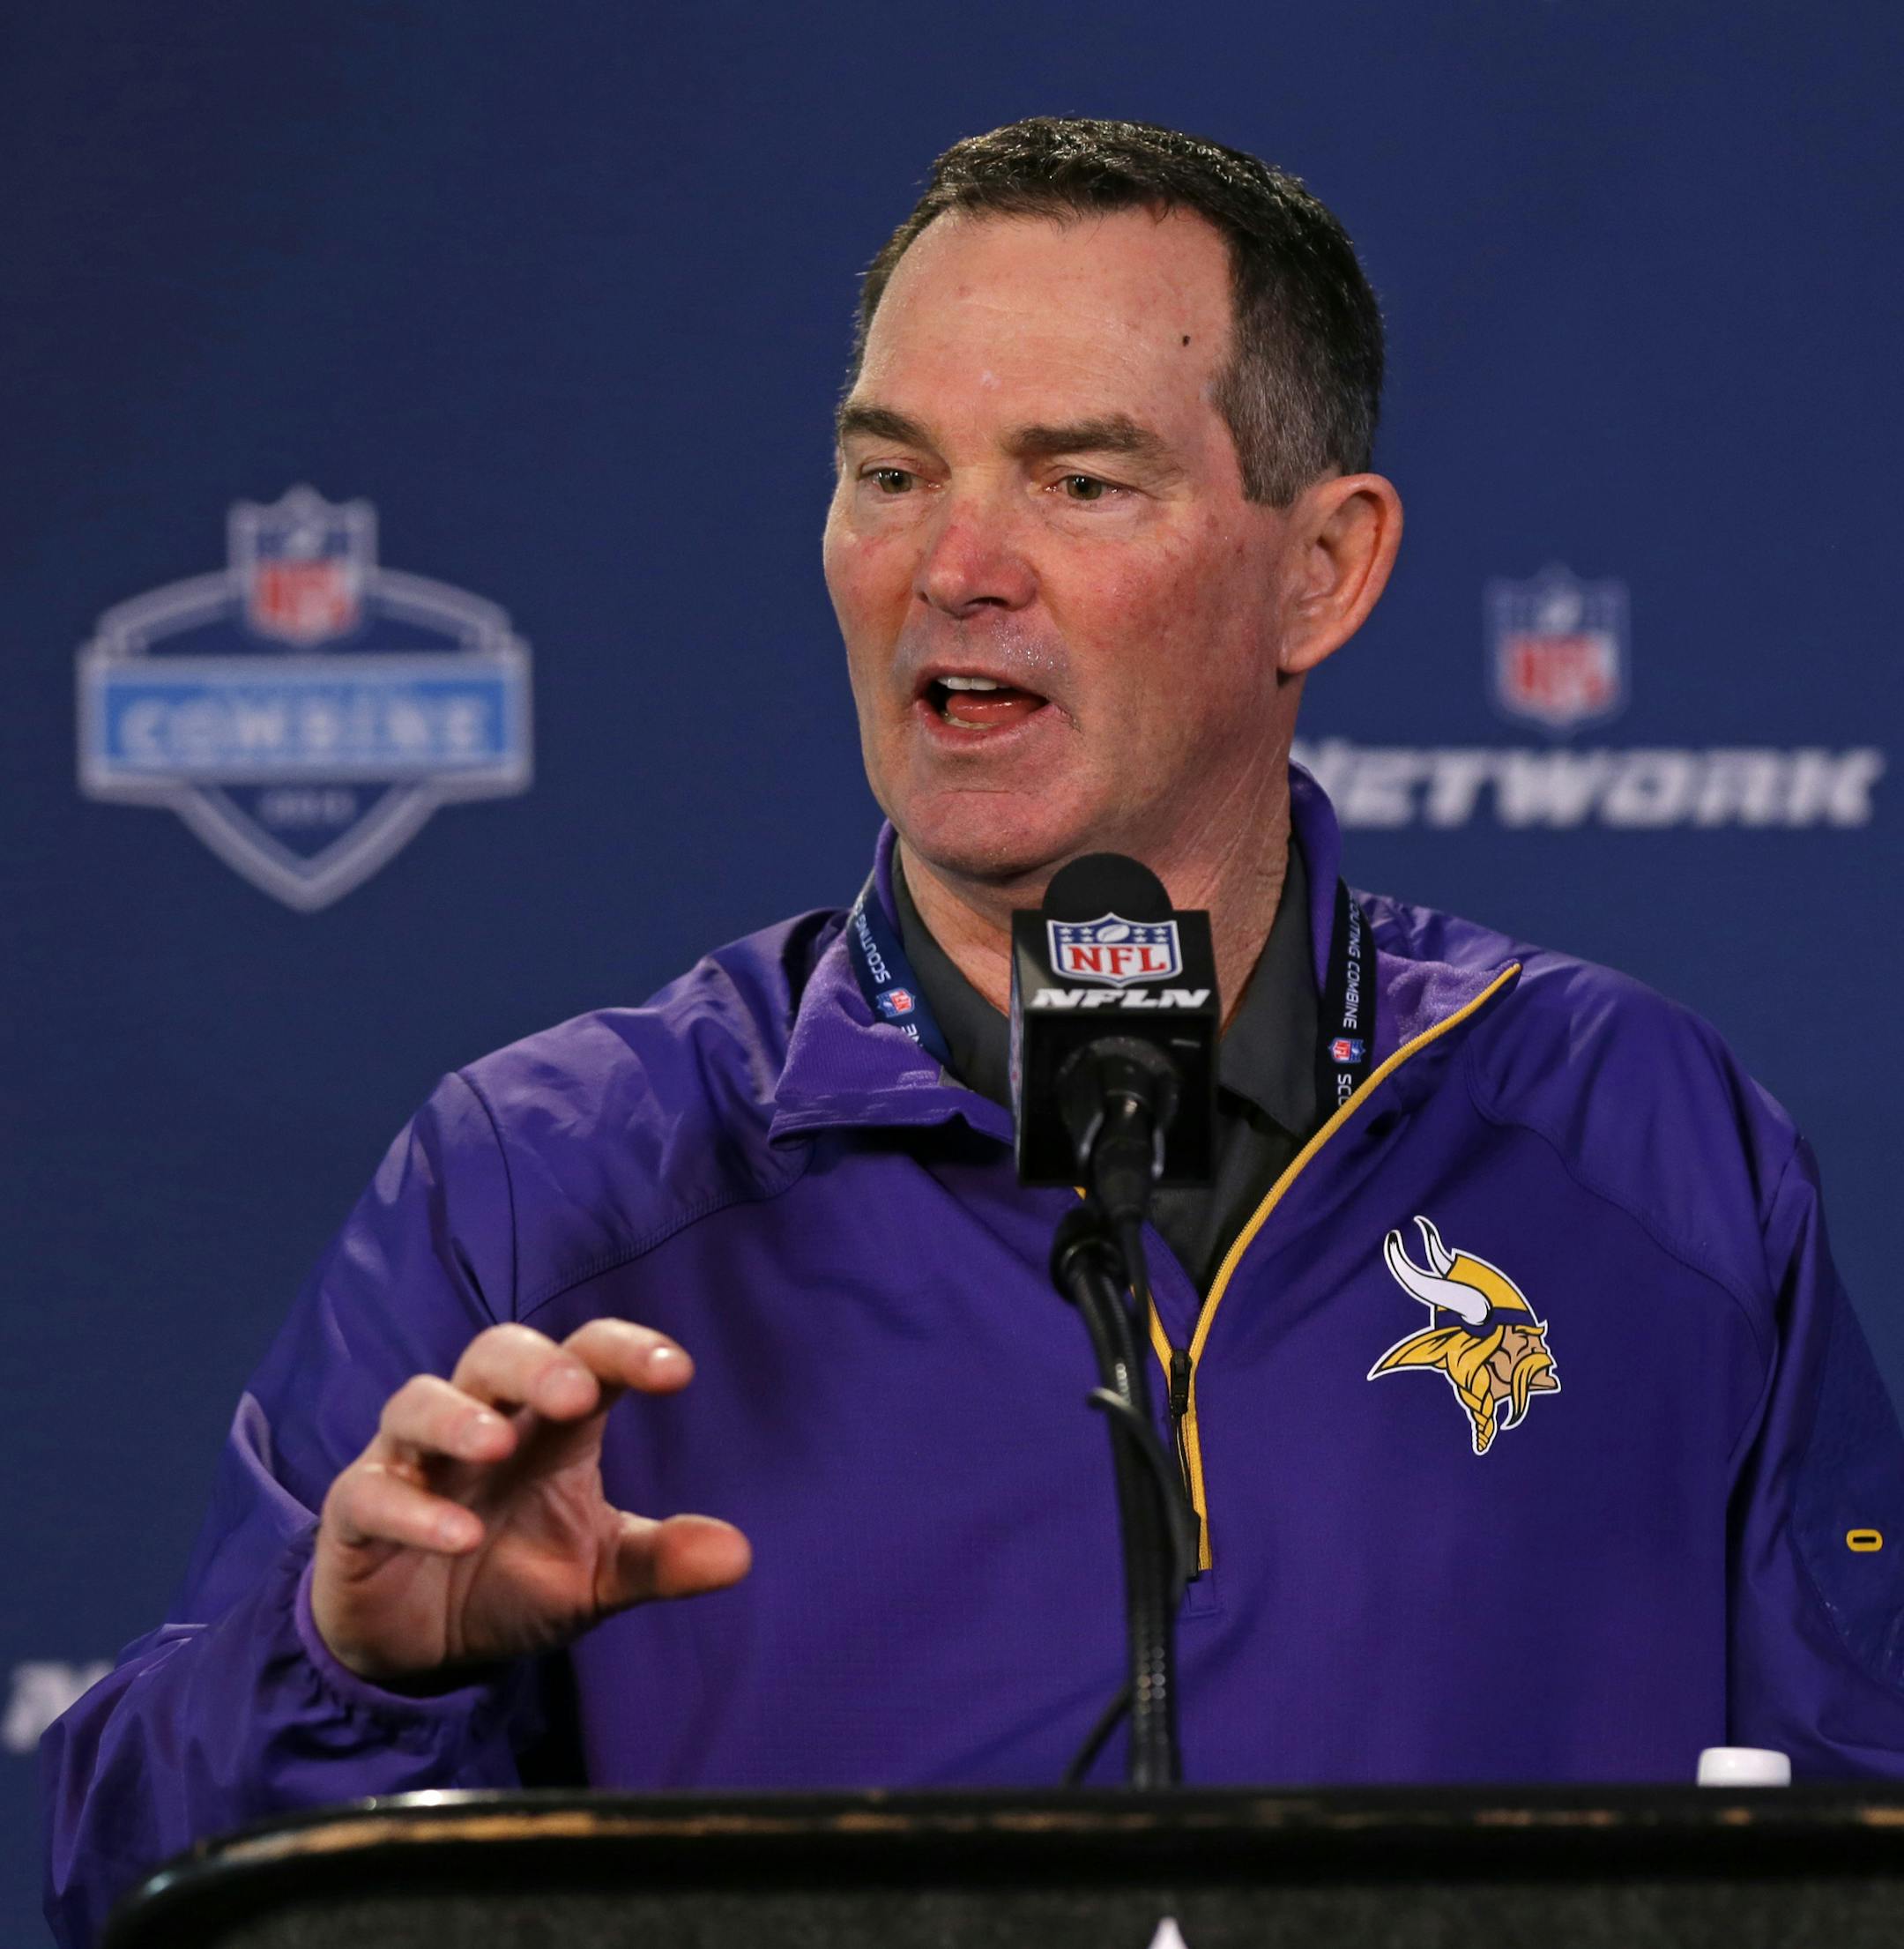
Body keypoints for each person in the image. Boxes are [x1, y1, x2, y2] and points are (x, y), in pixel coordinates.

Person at [44, 115, 1904, 1945]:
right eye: (893, 471)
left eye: (1078, 481)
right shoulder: (553, 1179)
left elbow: (1858, 1838)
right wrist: (355, 1671)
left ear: (1322, 569)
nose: (956, 566)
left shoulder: (1645, 1138)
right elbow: (126, 1884)